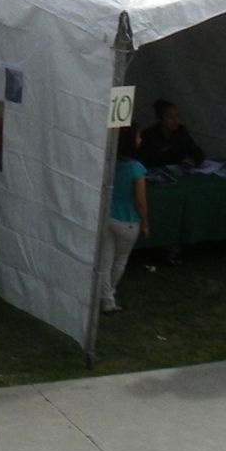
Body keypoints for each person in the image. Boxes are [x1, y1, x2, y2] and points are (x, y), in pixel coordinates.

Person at [101, 127, 149, 314]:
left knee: (106, 261)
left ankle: (105, 297)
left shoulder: (110, 163)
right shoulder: (136, 169)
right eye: (138, 135)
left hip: (108, 217)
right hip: (127, 221)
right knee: (119, 261)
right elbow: (140, 201)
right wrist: (145, 222)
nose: (140, 138)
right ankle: (109, 296)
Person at [137, 99, 204, 169]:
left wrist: (194, 160)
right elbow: (144, 161)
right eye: (170, 117)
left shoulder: (181, 131)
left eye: (177, 116)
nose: (175, 120)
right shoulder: (149, 135)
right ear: (160, 119)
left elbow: (195, 150)